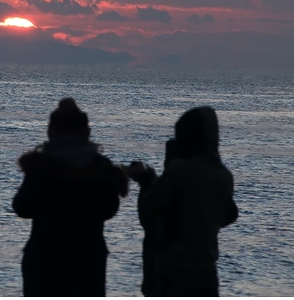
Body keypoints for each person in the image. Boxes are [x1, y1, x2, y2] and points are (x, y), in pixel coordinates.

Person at [12, 98, 129, 296]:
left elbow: (23, 207)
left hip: (44, 258)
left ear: (51, 132)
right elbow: (109, 209)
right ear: (86, 132)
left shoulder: (40, 167)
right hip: (87, 259)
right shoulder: (100, 167)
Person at [126, 106, 237, 296]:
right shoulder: (225, 176)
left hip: (174, 273)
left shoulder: (179, 170)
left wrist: (145, 181)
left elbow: (149, 210)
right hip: (207, 275)